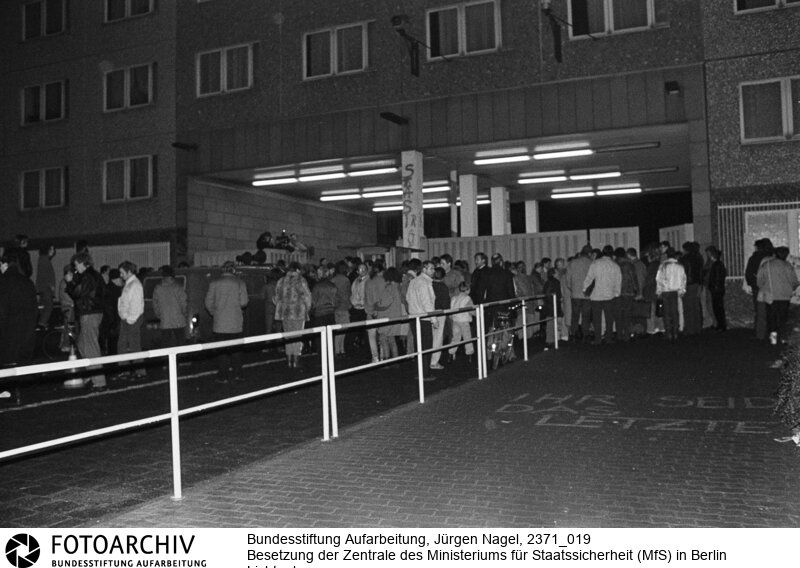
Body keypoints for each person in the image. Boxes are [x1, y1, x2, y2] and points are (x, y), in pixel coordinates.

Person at [65, 251, 106, 389]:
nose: (75, 267)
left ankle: (99, 381)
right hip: (94, 312)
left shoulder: (87, 276)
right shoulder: (95, 275)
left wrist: (70, 283)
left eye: (76, 264)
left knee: (90, 346)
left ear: (82, 263)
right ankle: (92, 374)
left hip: (89, 313)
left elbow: (77, 293)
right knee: (82, 344)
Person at [205, 261, 249, 381]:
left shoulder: (214, 283)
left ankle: (223, 376)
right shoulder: (240, 283)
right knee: (236, 351)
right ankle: (238, 374)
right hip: (235, 322)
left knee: (222, 351)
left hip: (220, 322)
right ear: (234, 270)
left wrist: (214, 312)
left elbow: (208, 302)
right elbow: (244, 302)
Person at [0, 251, 38, 368]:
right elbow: (35, 310)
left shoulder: (3, 282)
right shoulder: (28, 282)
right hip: (27, 334)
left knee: (8, 368)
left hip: (9, 335)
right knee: (24, 367)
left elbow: (2, 311)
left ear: (5, 264)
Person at [757, 246, 799, 345]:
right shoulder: (788, 266)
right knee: (783, 317)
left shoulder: (767, 264)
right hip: (785, 296)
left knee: (771, 316)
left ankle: (773, 337)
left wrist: (764, 287)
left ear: (775, 254)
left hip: (770, 295)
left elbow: (759, 280)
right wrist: (792, 288)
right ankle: (783, 337)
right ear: (786, 255)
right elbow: (794, 281)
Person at [274, 262, 311, 368]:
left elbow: (276, 297)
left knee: (288, 336)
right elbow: (307, 297)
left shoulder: (281, 281)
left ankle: (289, 360)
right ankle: (296, 360)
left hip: (285, 313)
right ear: (297, 269)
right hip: (298, 312)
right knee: (297, 336)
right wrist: (307, 309)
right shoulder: (301, 280)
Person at [582, 245, 621, 345]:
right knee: (609, 319)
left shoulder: (596, 263)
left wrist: (585, 289)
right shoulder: (615, 266)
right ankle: (608, 338)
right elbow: (618, 281)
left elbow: (589, 278)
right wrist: (617, 293)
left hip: (596, 295)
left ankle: (598, 339)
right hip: (609, 296)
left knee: (597, 319)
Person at [406, 259, 437, 380]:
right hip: (424, 318)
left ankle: (419, 371)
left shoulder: (413, 281)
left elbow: (408, 298)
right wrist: (434, 319)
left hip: (414, 317)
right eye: (431, 268)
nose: (433, 271)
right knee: (426, 346)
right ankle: (425, 373)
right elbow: (427, 302)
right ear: (424, 269)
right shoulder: (425, 283)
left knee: (418, 346)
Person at [117, 261, 146, 378]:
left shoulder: (135, 285)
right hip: (128, 318)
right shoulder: (130, 284)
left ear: (129, 272)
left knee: (133, 345)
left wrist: (130, 319)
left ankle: (138, 371)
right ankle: (129, 370)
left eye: (122, 273)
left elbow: (136, 304)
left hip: (132, 319)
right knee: (124, 345)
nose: (121, 275)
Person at [152, 265, 188, 348]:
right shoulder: (178, 288)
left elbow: (155, 303)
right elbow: (184, 303)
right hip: (179, 321)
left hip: (165, 321)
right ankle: (181, 356)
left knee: (166, 344)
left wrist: (159, 314)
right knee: (180, 344)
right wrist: (185, 313)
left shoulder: (158, 288)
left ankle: (167, 356)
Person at [374, 267, 405, 361]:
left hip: (386, 316)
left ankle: (386, 359)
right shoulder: (398, 287)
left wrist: (376, 305)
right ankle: (395, 360)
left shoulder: (389, 287)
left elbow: (384, 303)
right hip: (395, 316)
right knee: (392, 340)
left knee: (383, 339)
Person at [745, 238, 774, 339]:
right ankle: (772, 332)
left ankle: (760, 333)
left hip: (759, 288)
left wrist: (753, 284)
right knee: (772, 311)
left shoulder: (754, 258)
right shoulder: (773, 257)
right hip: (773, 288)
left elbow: (749, 274)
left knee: (760, 310)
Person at [656, 248, 686, 341]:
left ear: (667, 255)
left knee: (666, 312)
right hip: (675, 291)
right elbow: (683, 279)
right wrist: (682, 291)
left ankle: (668, 332)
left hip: (665, 291)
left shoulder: (663, 265)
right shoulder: (680, 266)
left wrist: (659, 291)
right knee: (675, 311)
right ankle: (675, 332)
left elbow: (659, 279)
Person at [565, 245, 593, 342]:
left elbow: (568, 278)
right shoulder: (591, 263)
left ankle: (573, 334)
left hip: (575, 294)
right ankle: (585, 335)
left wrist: (572, 287)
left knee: (575, 315)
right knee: (586, 316)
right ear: (589, 253)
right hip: (587, 294)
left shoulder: (573, 263)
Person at [613, 247, 639, 342]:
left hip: (617, 292)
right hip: (628, 292)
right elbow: (633, 277)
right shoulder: (629, 264)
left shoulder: (614, 265)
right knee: (627, 314)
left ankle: (619, 334)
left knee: (618, 314)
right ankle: (627, 334)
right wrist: (636, 290)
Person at [309, 264, 337, 355]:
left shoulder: (317, 286)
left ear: (321, 274)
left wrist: (311, 311)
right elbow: (336, 300)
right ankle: (330, 354)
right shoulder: (333, 285)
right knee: (330, 336)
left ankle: (321, 355)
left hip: (319, 313)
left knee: (319, 337)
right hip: (331, 313)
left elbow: (313, 301)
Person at [363, 261, 386, 363]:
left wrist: (370, 310)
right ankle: (383, 355)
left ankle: (375, 357)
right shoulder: (382, 281)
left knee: (371, 335)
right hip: (380, 311)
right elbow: (382, 297)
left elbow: (367, 297)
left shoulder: (368, 281)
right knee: (382, 335)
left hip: (369, 311)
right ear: (381, 271)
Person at [680, 241, 704, 336]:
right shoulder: (698, 258)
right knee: (695, 306)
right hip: (696, 284)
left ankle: (689, 328)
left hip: (687, 284)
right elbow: (701, 272)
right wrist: (700, 284)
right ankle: (697, 327)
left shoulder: (684, 259)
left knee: (687, 307)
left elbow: (682, 273)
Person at [429, 267, 450, 370]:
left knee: (429, 337)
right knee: (438, 338)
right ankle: (434, 362)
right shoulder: (444, 287)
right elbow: (446, 303)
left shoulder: (429, 285)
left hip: (429, 312)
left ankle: (427, 360)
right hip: (440, 313)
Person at [448, 281, 475, 362]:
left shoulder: (454, 298)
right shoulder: (467, 298)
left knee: (455, 338)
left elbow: (451, 310)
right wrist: (478, 313)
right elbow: (471, 310)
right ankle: (469, 354)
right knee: (467, 338)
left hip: (455, 320)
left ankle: (451, 353)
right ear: (468, 289)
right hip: (464, 321)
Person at [330, 261, 351, 357]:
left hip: (335, 308)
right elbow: (348, 293)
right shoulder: (346, 280)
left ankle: (338, 349)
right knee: (343, 329)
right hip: (344, 306)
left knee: (338, 329)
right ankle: (340, 349)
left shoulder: (333, 279)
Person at [100, 268, 122, 355]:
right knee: (113, 343)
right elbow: (111, 308)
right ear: (116, 279)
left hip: (109, 321)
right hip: (113, 321)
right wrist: (114, 323)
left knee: (111, 343)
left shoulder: (108, 288)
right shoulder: (115, 290)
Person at [705, 246, 727, 332]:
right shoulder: (719, 264)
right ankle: (721, 325)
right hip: (718, 288)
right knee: (718, 307)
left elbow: (716, 277)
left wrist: (714, 286)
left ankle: (721, 325)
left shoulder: (716, 265)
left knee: (717, 307)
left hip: (716, 289)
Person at [35, 244, 56, 330]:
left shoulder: (42, 259)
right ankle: (42, 322)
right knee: (48, 305)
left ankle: (42, 322)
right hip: (46, 288)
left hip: (42, 287)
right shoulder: (45, 260)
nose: (53, 251)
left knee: (43, 305)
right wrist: (50, 285)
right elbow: (46, 275)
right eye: (51, 249)